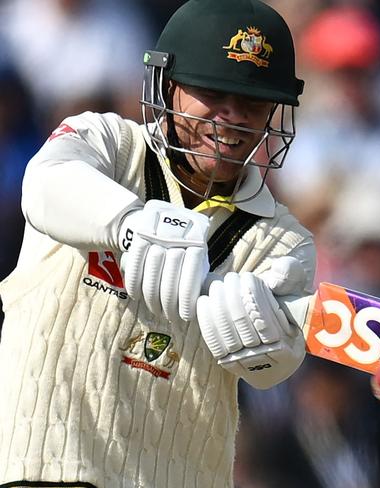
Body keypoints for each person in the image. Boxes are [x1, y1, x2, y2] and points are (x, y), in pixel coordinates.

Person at [0, 0, 315, 486]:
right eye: (213, 92)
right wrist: (130, 225)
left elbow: (275, 368)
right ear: (167, 86)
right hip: (46, 467)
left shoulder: (282, 241)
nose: (232, 118)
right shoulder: (106, 143)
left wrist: (262, 339)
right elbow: (43, 183)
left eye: (253, 102)